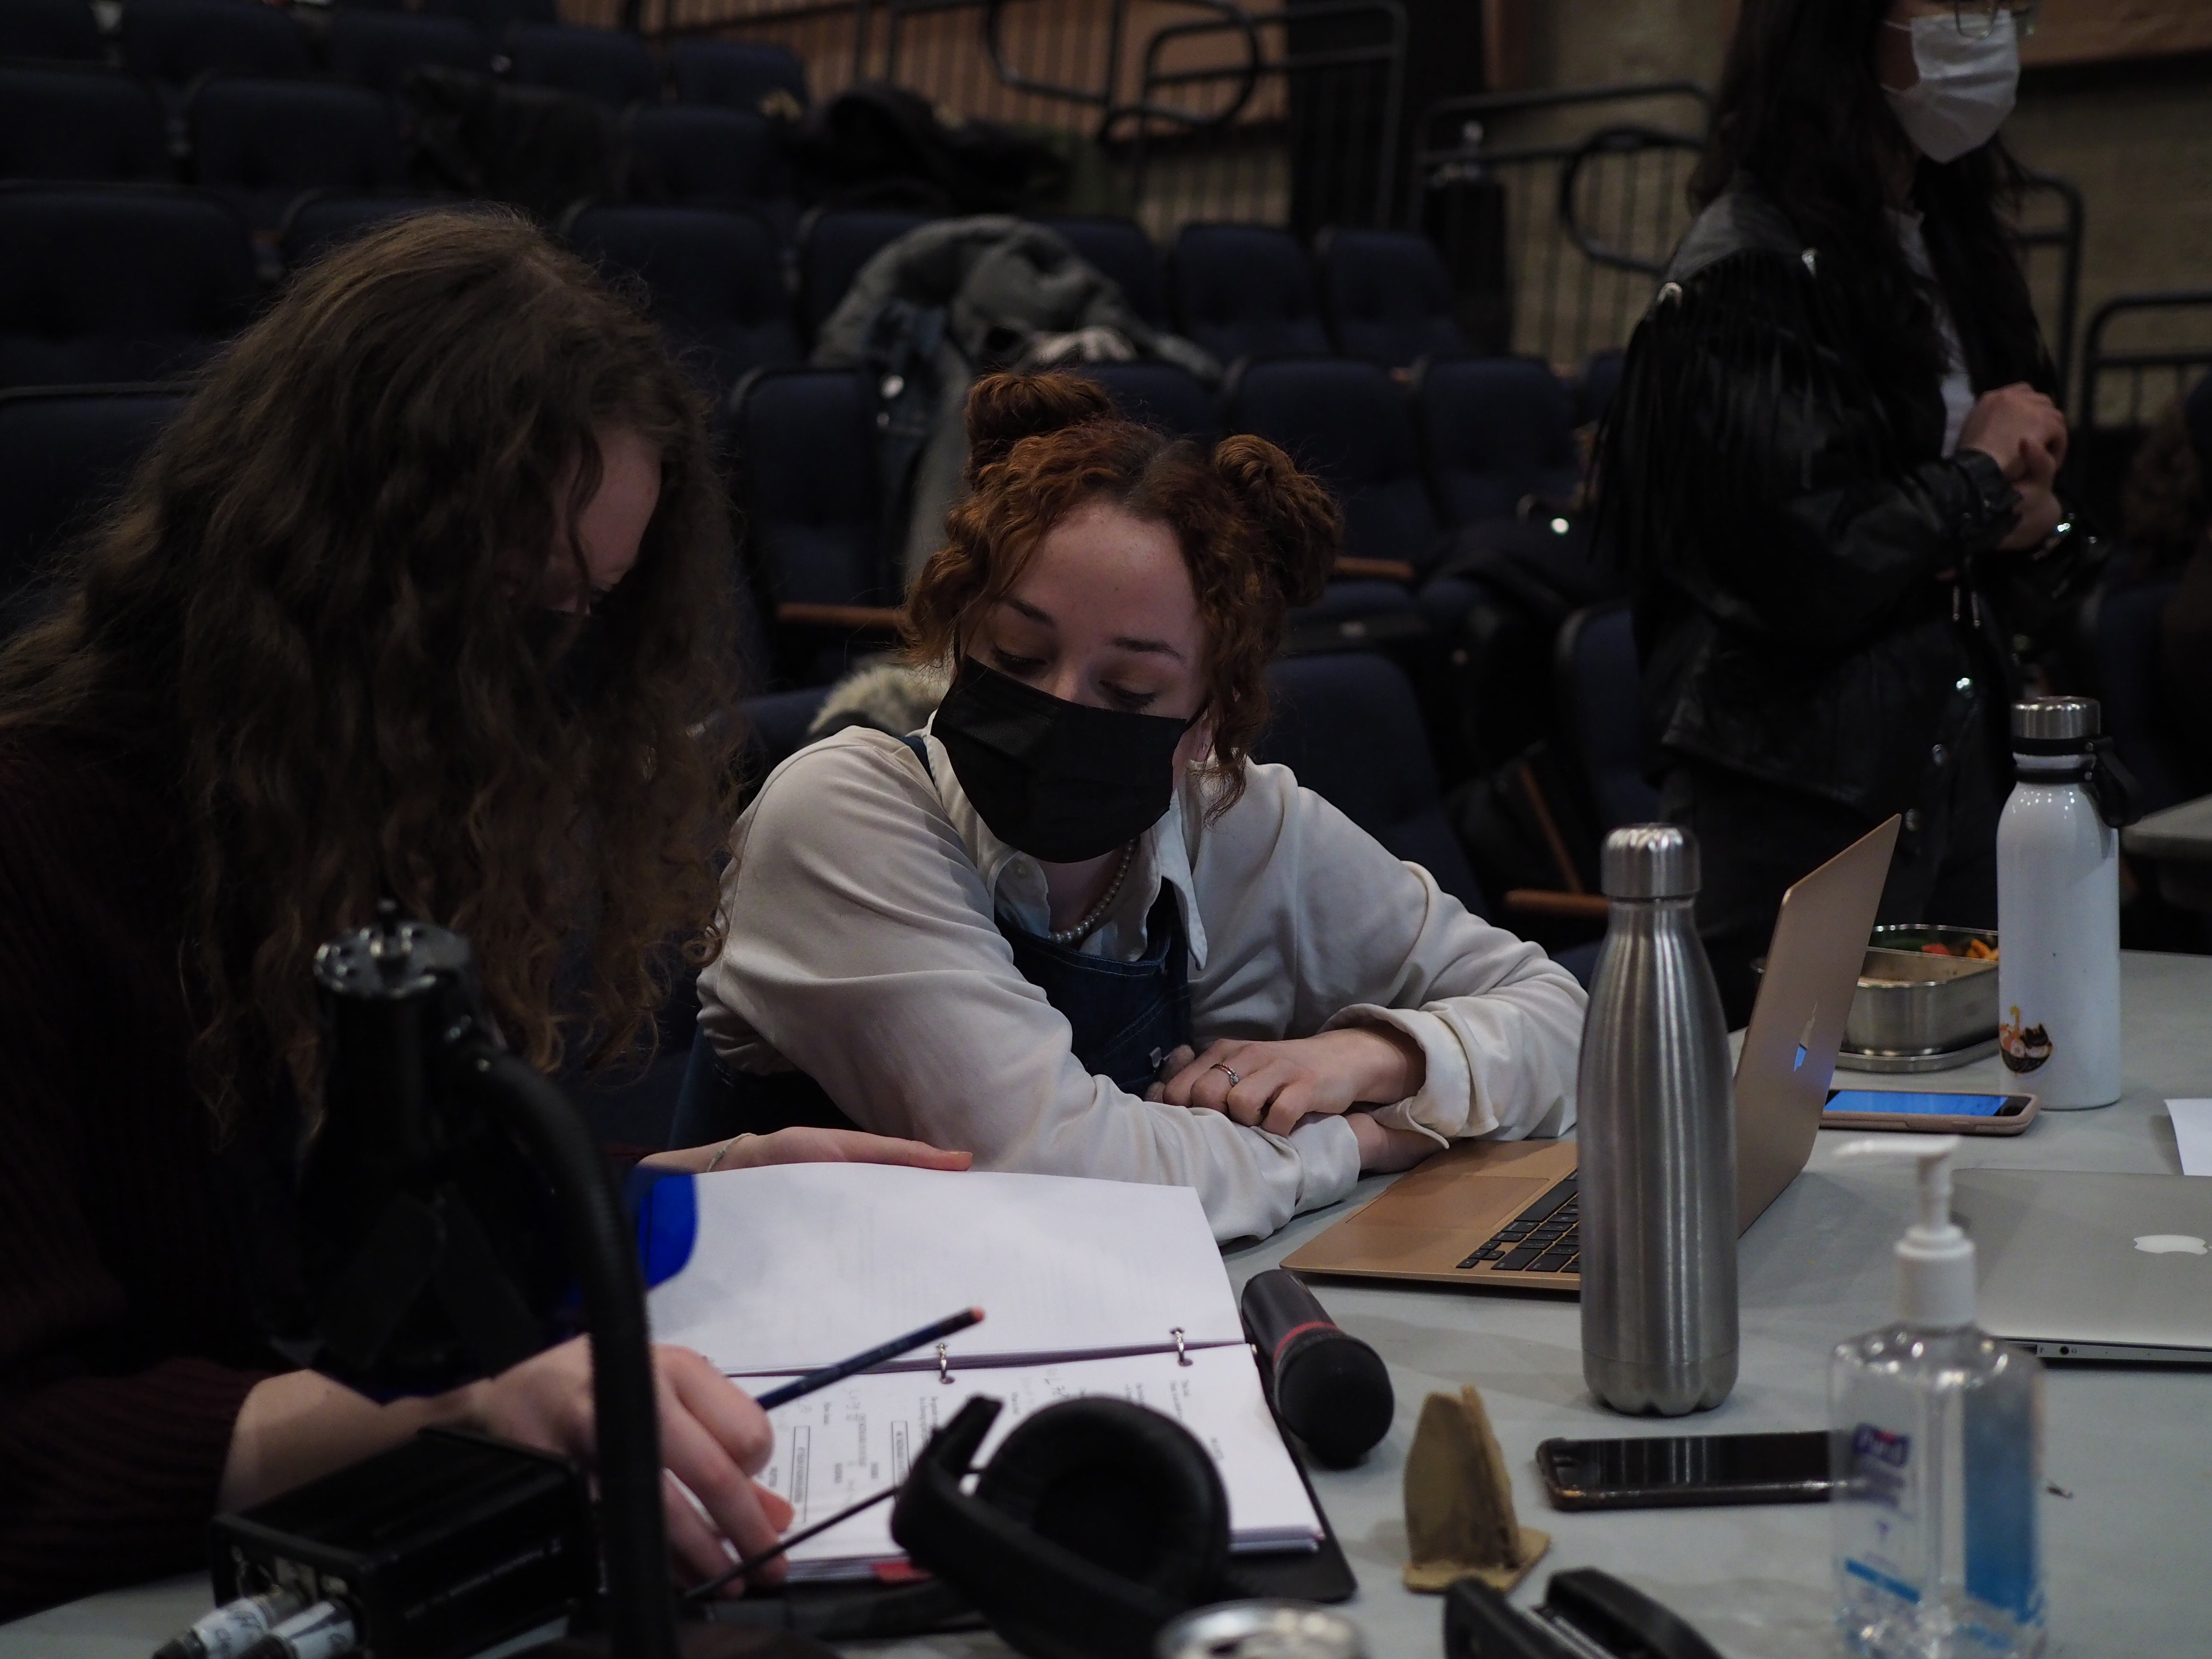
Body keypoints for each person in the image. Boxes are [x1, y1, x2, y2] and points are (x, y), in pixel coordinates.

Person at [0, 210, 967, 1619]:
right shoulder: (35, 836)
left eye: (584, 616)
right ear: (335, 567)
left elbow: (377, 1257)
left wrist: (693, 1198)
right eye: (517, 615)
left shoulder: (364, 805)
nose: (543, 683)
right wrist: (444, 1422)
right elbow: (27, 1453)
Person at [677, 373, 1586, 1243]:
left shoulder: (1241, 821)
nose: (1062, 706)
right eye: (1019, 656)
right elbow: (1054, 1167)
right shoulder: (839, 814)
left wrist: (1371, 1059)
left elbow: (1564, 1020)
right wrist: (1357, 1139)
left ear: (1210, 722)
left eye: (1129, 687)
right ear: (960, 633)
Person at [1597, 0, 2072, 1023]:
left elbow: (2008, 514)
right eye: (1955, 6)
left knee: (1976, 1092)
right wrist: (1984, 485)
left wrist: (2034, 518)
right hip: (1796, 779)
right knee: (1797, 1138)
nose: (1988, 31)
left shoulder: (1940, 241)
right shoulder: (1745, 267)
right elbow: (1805, 557)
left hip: (1943, 747)